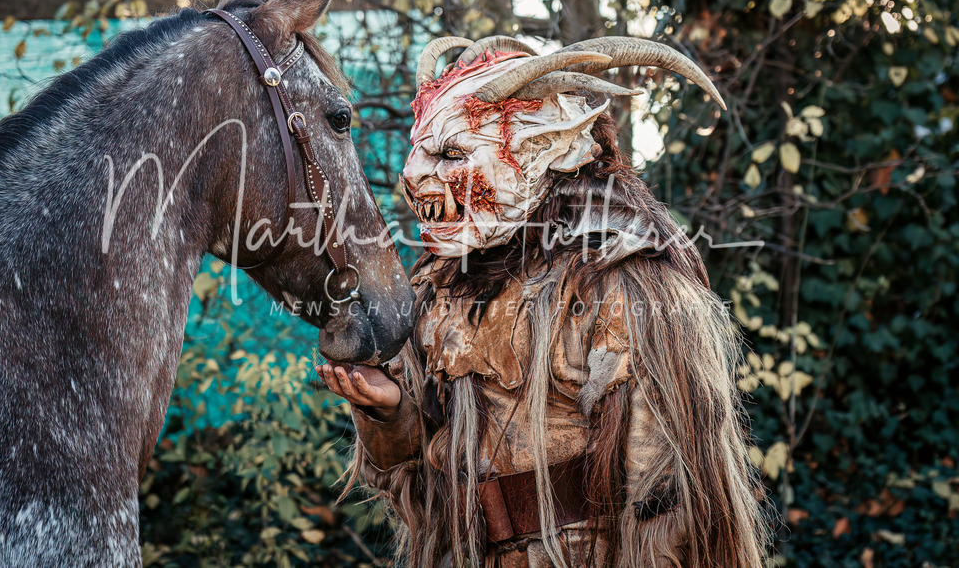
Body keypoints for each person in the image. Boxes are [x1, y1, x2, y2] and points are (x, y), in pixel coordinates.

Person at [318, 35, 769, 567]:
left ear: (549, 153)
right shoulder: (440, 287)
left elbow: (668, 504)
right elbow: (412, 464)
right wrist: (390, 412)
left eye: (451, 152)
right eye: (419, 149)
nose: (413, 174)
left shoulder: (628, 290)